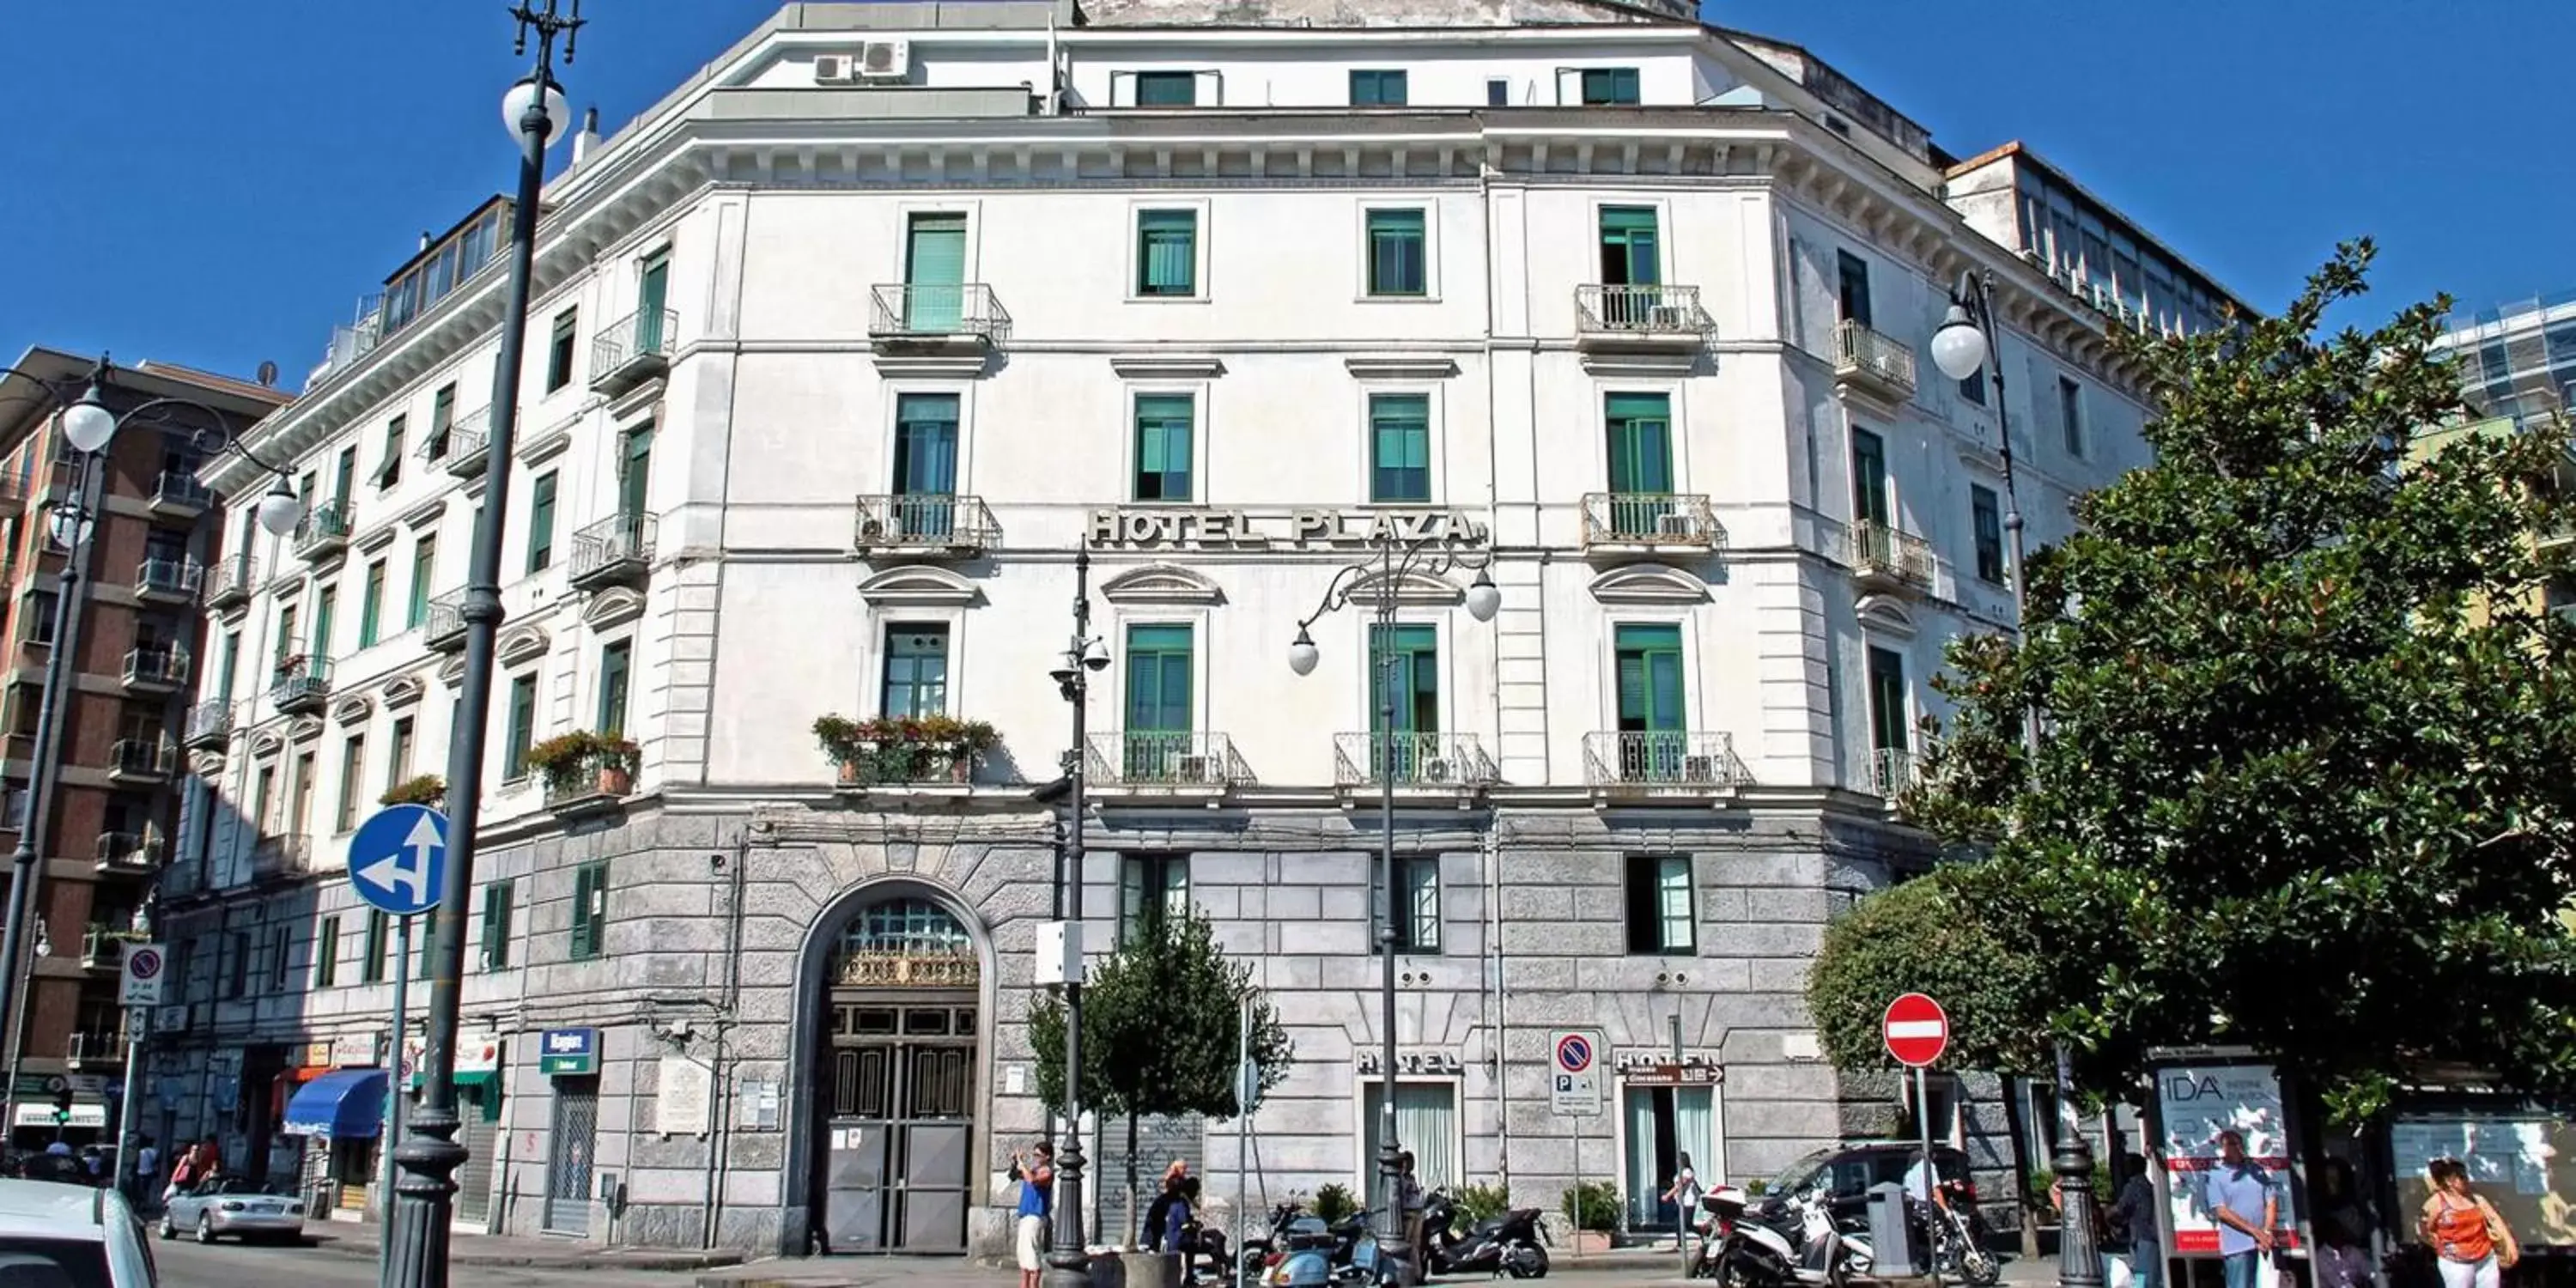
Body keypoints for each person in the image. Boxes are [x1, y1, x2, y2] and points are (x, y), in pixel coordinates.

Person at [2421, 1158, 2516, 1288]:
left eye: (2465, 1175)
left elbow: (2495, 1220)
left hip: (2485, 1258)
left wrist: (2510, 1245)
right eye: (2461, 1176)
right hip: (2456, 1263)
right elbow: (2424, 1229)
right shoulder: (2436, 1203)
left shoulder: (2477, 1200)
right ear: (2449, 1181)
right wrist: (2436, 1243)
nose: (2466, 1179)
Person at [2202, 1131, 2278, 1288]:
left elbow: (2271, 1200)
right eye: (2231, 1144)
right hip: (2238, 1247)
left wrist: (2267, 1232)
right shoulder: (2215, 1175)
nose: (2237, 1148)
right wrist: (2256, 1232)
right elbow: (2222, 1212)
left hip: (2263, 1244)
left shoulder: (2256, 1170)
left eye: (2239, 1143)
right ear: (2222, 1148)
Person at [2312, 1157, 2374, 1288]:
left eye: (2335, 1180)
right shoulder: (2321, 1257)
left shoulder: (2352, 1211)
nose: (2332, 1185)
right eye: (2328, 1180)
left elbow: (2370, 1271)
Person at [2105, 1154, 2162, 1288]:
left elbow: (2121, 1208)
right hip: (2148, 1234)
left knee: (2142, 1274)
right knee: (2147, 1273)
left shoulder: (2134, 1184)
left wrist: (2107, 1213)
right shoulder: (2148, 1184)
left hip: (2143, 1235)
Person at [1011, 1142, 1054, 1288]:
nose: (1035, 1158)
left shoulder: (1047, 1172)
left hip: (1035, 1217)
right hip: (1025, 1216)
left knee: (1032, 1257)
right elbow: (1013, 1176)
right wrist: (1015, 1162)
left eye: (1038, 1155)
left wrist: (1022, 1165)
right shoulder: (1033, 1170)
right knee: (1023, 1259)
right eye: (1034, 1154)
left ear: (1047, 1156)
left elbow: (1032, 1180)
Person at [1663, 1152, 1704, 1237]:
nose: (1676, 1161)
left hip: (1688, 1202)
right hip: (1680, 1201)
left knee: (1687, 1223)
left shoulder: (1687, 1172)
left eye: (1678, 1160)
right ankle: (1680, 1244)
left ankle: (1704, 1233)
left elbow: (1680, 1185)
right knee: (1678, 1224)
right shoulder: (1680, 1172)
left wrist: (1668, 1195)